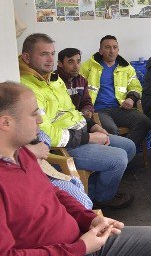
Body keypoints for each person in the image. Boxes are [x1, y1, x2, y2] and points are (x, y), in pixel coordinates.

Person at [0, 81, 151, 256]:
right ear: (6, 122)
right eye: (33, 114)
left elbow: (54, 192)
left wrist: (90, 219)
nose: (40, 120)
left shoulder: (21, 154)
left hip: (80, 240)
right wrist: (80, 248)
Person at [19, 33, 136, 209]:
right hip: (62, 148)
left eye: (52, 53)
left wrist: (93, 126)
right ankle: (104, 199)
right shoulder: (26, 88)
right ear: (27, 57)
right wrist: (88, 138)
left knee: (129, 146)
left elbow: (72, 111)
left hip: (80, 132)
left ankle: (94, 189)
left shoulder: (54, 78)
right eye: (44, 54)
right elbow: (45, 133)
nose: (50, 59)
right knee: (118, 158)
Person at [81, 35, 151, 149]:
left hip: (120, 108)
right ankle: (120, 159)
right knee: (111, 130)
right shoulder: (88, 66)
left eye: (115, 47)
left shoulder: (126, 68)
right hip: (98, 110)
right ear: (100, 51)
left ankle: (126, 155)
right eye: (107, 47)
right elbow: (79, 88)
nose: (111, 51)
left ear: (118, 50)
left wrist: (131, 98)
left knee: (145, 122)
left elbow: (136, 87)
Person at [57, 47, 94, 119]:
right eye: (70, 62)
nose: (76, 66)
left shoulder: (82, 81)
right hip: (61, 122)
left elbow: (86, 102)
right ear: (60, 64)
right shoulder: (52, 81)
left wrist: (87, 110)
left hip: (79, 119)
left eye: (78, 61)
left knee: (103, 130)